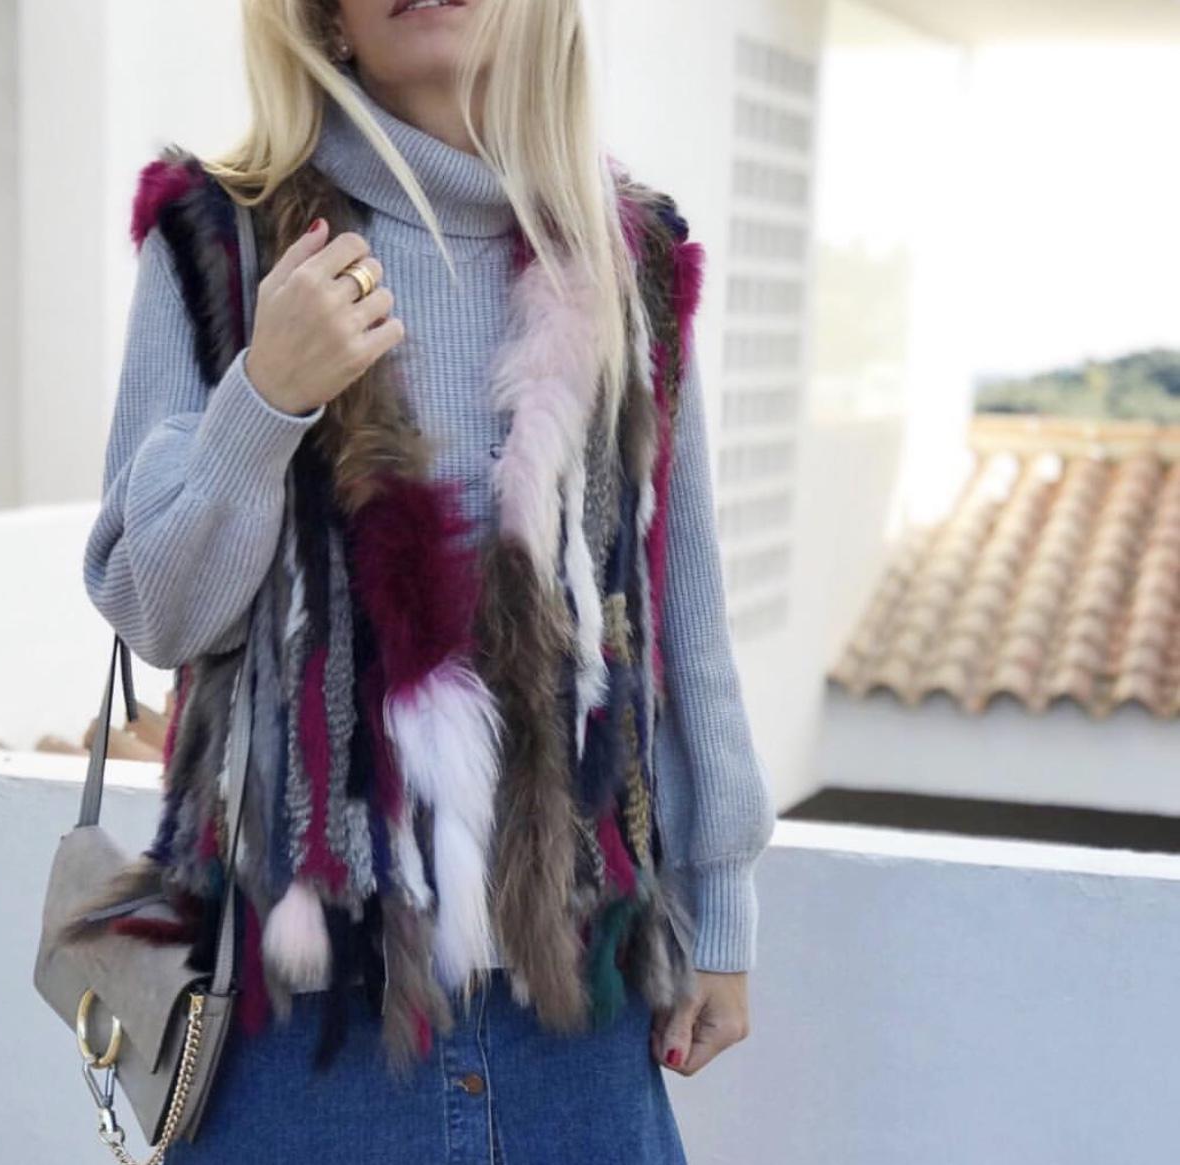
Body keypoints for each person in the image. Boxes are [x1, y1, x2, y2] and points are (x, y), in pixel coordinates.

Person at [82, 0, 774, 1160]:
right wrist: (267, 396)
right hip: (299, 1036)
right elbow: (155, 609)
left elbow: (684, 614)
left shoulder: (627, 260)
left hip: (580, 1023)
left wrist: (724, 906)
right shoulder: (222, 238)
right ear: (324, 16)